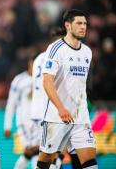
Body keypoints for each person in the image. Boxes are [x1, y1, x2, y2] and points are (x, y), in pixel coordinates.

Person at [36, 9, 97, 169]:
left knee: (90, 163)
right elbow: (47, 81)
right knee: (45, 162)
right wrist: (61, 108)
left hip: (80, 118)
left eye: (85, 23)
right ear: (68, 25)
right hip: (57, 117)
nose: (83, 27)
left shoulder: (87, 52)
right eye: (79, 23)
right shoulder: (56, 48)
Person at [4, 56, 39, 169]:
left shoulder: (44, 79)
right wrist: (7, 126)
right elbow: (11, 104)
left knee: (34, 152)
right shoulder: (19, 80)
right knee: (33, 152)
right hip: (24, 122)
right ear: (29, 63)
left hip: (40, 122)